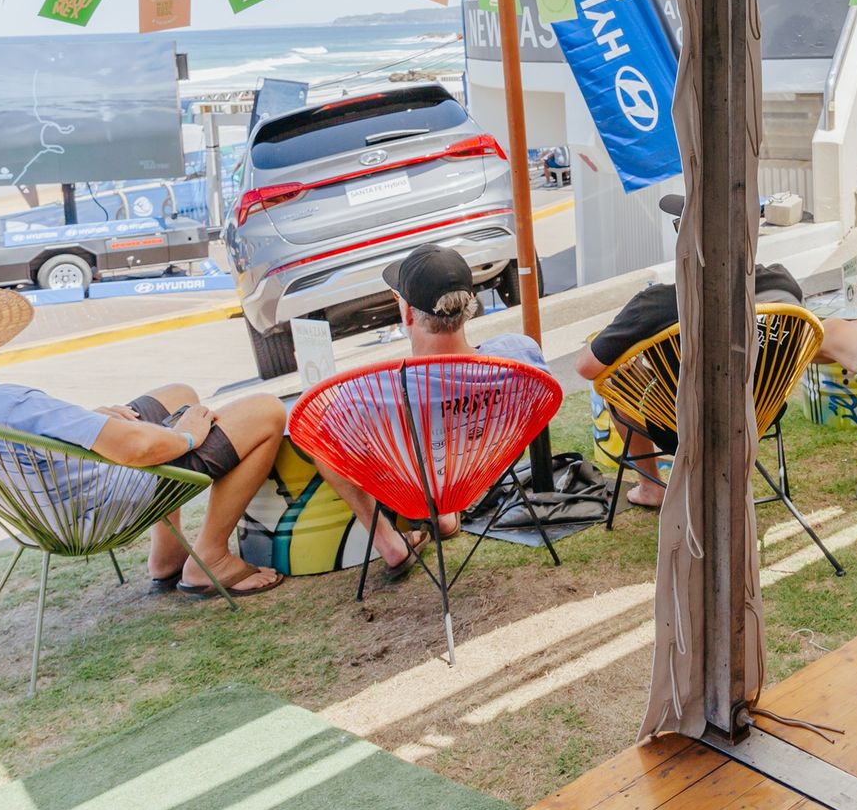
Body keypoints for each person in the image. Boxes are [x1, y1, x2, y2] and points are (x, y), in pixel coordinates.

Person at [0, 272, 286, 597]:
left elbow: (28, 440)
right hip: (100, 503)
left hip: (46, 507)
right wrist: (186, 437)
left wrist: (82, 423)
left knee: (178, 394)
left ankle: (167, 556)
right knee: (265, 411)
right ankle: (210, 559)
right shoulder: (14, 404)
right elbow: (138, 448)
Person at [306, 244, 550, 580]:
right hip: (479, 474)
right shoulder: (517, 356)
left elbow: (321, 432)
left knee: (323, 447)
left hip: (412, 489)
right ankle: (447, 516)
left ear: (407, 315)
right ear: (470, 307)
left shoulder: (372, 392)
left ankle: (389, 544)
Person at [574, 263, 803, 509]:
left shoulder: (656, 303)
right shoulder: (781, 280)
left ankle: (651, 488)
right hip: (761, 412)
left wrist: (627, 348)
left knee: (618, 383)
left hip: (687, 425)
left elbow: (586, 367)